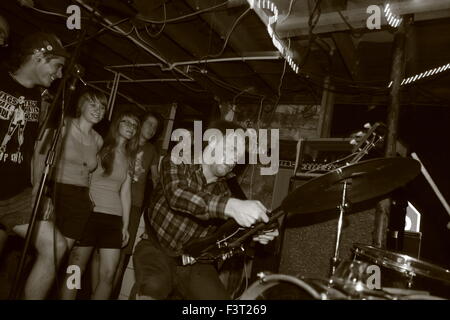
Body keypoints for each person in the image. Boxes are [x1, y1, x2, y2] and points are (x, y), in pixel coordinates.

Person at [131, 119, 279, 300]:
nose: (235, 159)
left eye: (239, 156)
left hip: (195, 263)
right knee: (153, 288)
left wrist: (256, 232)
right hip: (156, 249)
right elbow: (177, 194)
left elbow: (228, 234)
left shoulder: (226, 190)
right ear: (213, 141)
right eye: (232, 149)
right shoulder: (178, 160)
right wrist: (230, 206)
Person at [0, 32, 68, 299]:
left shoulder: (42, 100)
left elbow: (36, 152)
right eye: (57, 66)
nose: (60, 75)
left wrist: (40, 192)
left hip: (16, 195)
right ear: (39, 57)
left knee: (56, 245)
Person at [60, 111, 140, 300]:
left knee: (109, 273)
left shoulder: (130, 157)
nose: (130, 126)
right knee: (76, 267)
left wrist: (125, 225)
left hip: (113, 218)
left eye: (134, 125)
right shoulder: (99, 145)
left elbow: (126, 192)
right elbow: (83, 175)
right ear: (117, 125)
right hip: (89, 213)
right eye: (126, 121)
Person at [111, 111, 161, 297]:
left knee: (122, 255)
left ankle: (110, 294)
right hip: (111, 199)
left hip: (134, 205)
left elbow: (155, 178)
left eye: (155, 127)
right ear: (140, 124)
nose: (152, 129)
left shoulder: (152, 151)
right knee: (102, 252)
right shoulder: (124, 143)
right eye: (149, 124)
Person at [52, 89, 106, 252]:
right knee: (48, 249)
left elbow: (89, 172)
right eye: (93, 104)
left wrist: (88, 197)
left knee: (61, 254)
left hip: (80, 198)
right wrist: (36, 188)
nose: (98, 110)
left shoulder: (98, 139)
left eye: (102, 107)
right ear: (81, 106)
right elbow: (39, 156)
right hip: (57, 191)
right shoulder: (64, 125)